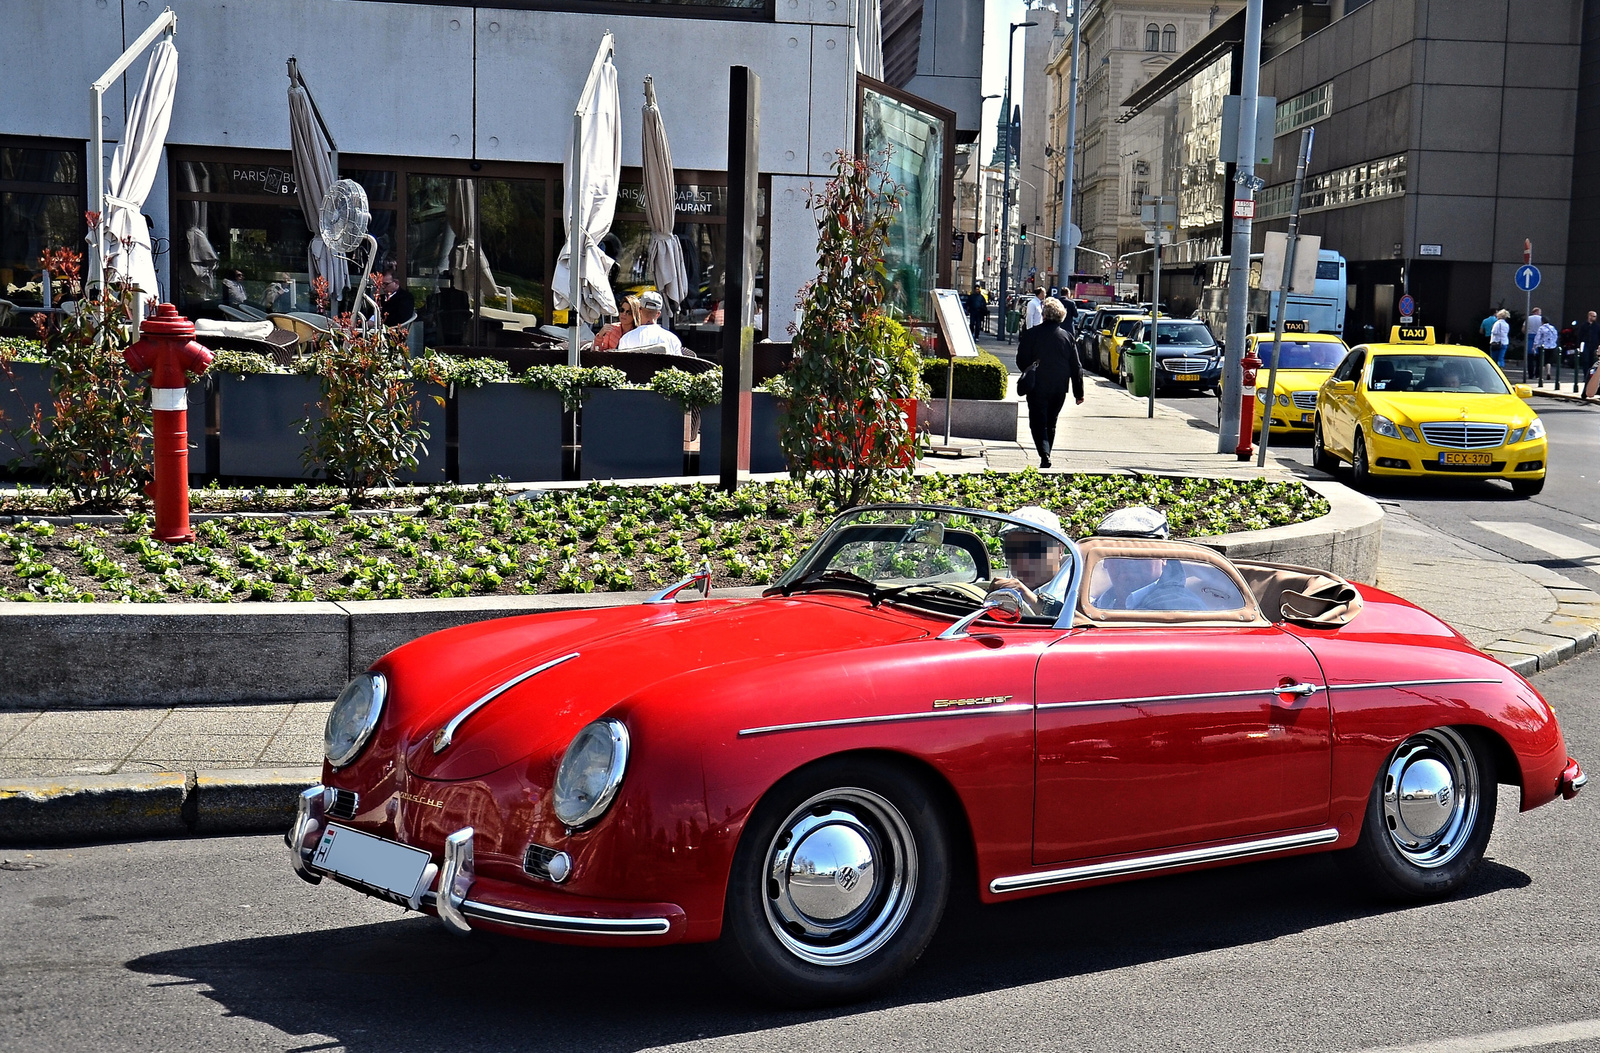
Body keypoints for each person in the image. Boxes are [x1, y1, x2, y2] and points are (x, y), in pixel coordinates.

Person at [1015, 296, 1084, 469]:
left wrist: (1029, 370)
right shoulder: (1067, 337)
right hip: (1059, 388)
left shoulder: (1031, 335)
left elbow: (1021, 360)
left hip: (1037, 385)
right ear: (1061, 316)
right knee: (1051, 421)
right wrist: (1079, 393)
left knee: (1037, 421)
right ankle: (1047, 453)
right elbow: (1076, 367)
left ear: (1044, 315)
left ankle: (1044, 454)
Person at [991, 505, 1067, 617]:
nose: (1022, 560)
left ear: (1060, 550)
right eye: (1012, 550)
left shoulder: (1077, 589)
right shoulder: (1006, 585)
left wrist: (1029, 597)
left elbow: (1074, 619)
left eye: (1035, 549)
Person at [617, 289, 684, 354]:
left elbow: (621, 364)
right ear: (658, 314)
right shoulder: (672, 339)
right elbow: (679, 364)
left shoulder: (626, 339)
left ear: (639, 311)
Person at [1576, 310, 1600, 396]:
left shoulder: (1597, 326)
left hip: (1594, 347)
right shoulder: (1584, 326)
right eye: (1592, 316)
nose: (1594, 318)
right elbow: (1580, 336)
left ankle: (1591, 378)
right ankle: (1586, 376)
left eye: (1595, 316)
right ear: (1589, 316)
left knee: (1592, 363)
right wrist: (1578, 346)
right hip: (1586, 346)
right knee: (1585, 361)